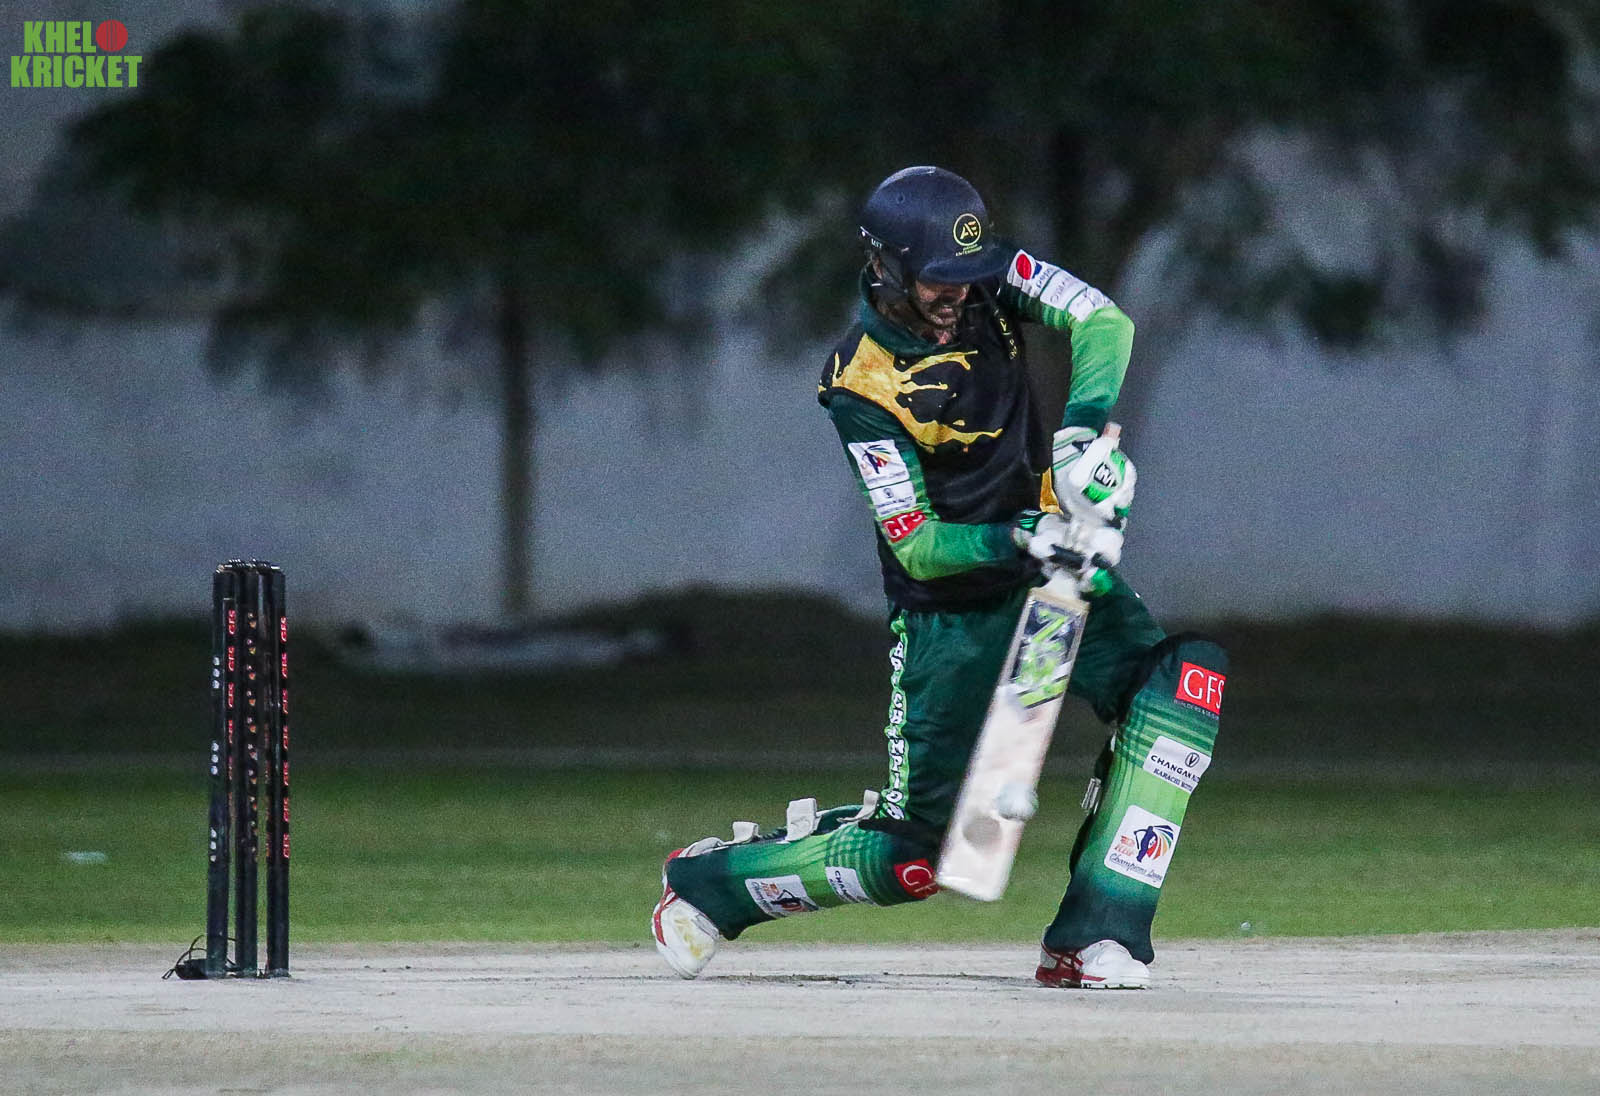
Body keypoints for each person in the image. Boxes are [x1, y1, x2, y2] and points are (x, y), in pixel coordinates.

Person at [651, 165, 1227, 989]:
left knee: (1185, 683)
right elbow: (917, 544)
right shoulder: (859, 381)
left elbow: (1102, 320)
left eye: (966, 273)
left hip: (1055, 582)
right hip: (949, 620)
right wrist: (1024, 536)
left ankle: (1096, 935)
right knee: (910, 862)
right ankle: (711, 884)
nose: (957, 292)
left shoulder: (989, 276)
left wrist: (1078, 439)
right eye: (936, 278)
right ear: (885, 265)